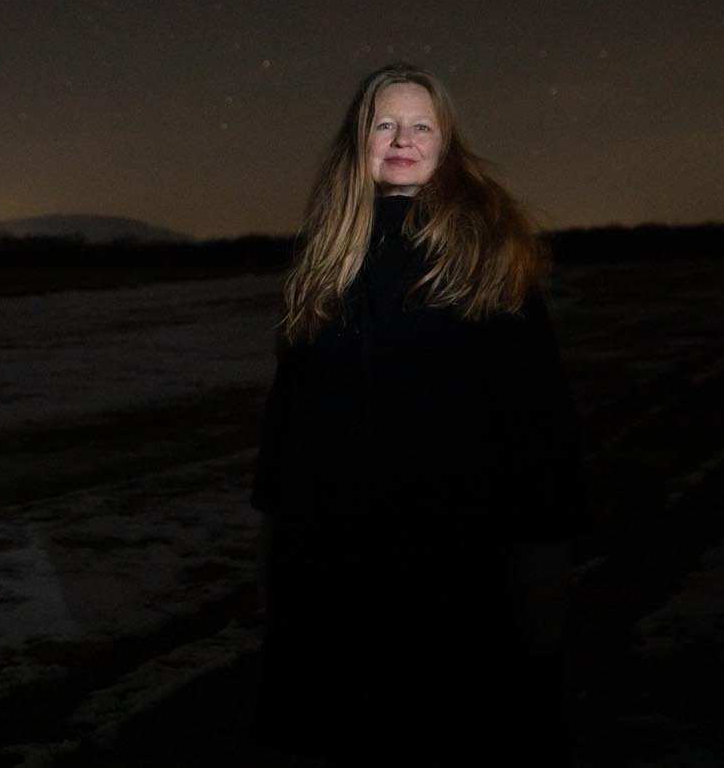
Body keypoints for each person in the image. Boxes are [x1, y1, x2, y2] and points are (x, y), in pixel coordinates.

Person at [252, 63, 588, 766]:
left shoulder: (487, 250)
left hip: (456, 562)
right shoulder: (326, 255)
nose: (402, 138)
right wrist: (281, 537)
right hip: (336, 564)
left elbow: (538, 414)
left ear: (446, 142)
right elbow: (292, 420)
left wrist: (544, 553)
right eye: (385, 123)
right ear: (360, 140)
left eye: (420, 125)